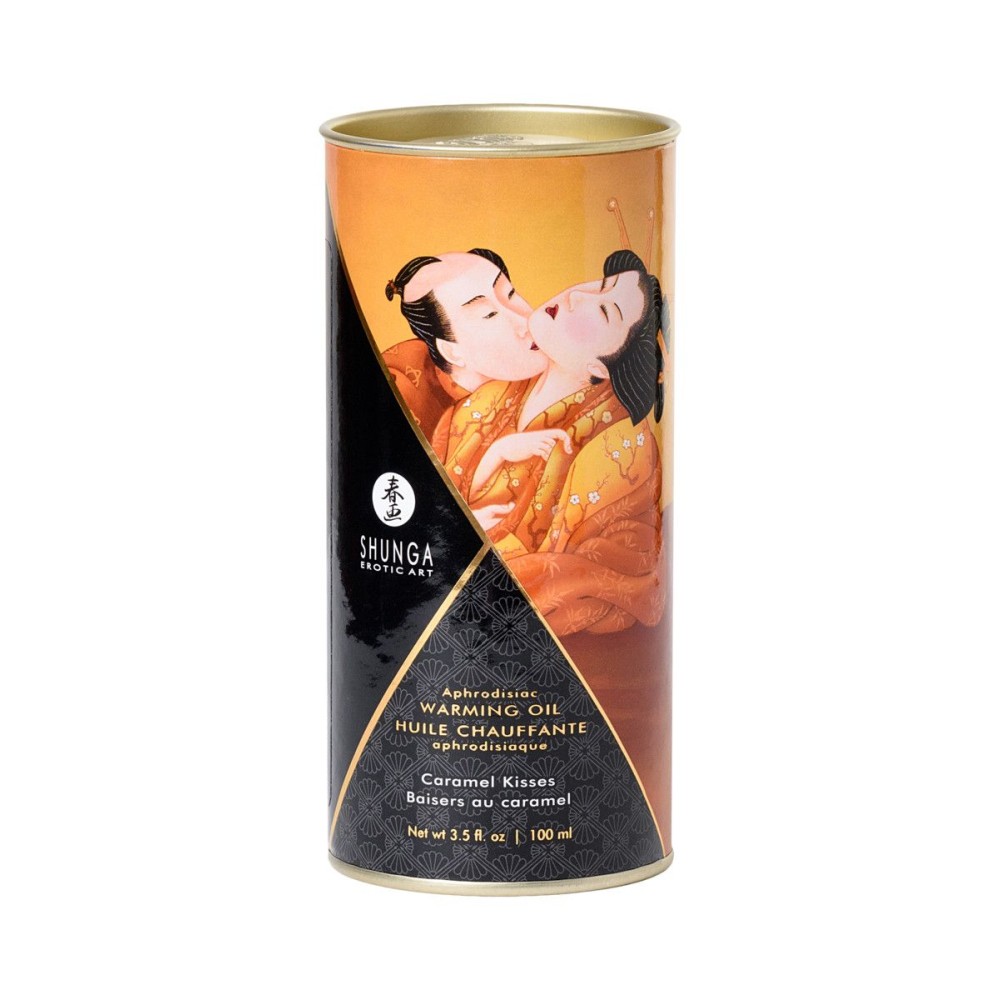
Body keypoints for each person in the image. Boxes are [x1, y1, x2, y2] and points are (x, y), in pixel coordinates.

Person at [432, 250, 668, 636]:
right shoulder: (488, 400)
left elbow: (559, 568)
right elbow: (435, 505)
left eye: (604, 310)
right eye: (599, 285)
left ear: (601, 367)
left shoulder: (617, 448)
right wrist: (496, 455)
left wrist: (465, 538)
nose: (576, 296)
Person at [382, 249, 546, 433]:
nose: (525, 322)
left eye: (510, 294)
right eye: (489, 314)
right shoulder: (406, 393)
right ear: (451, 351)